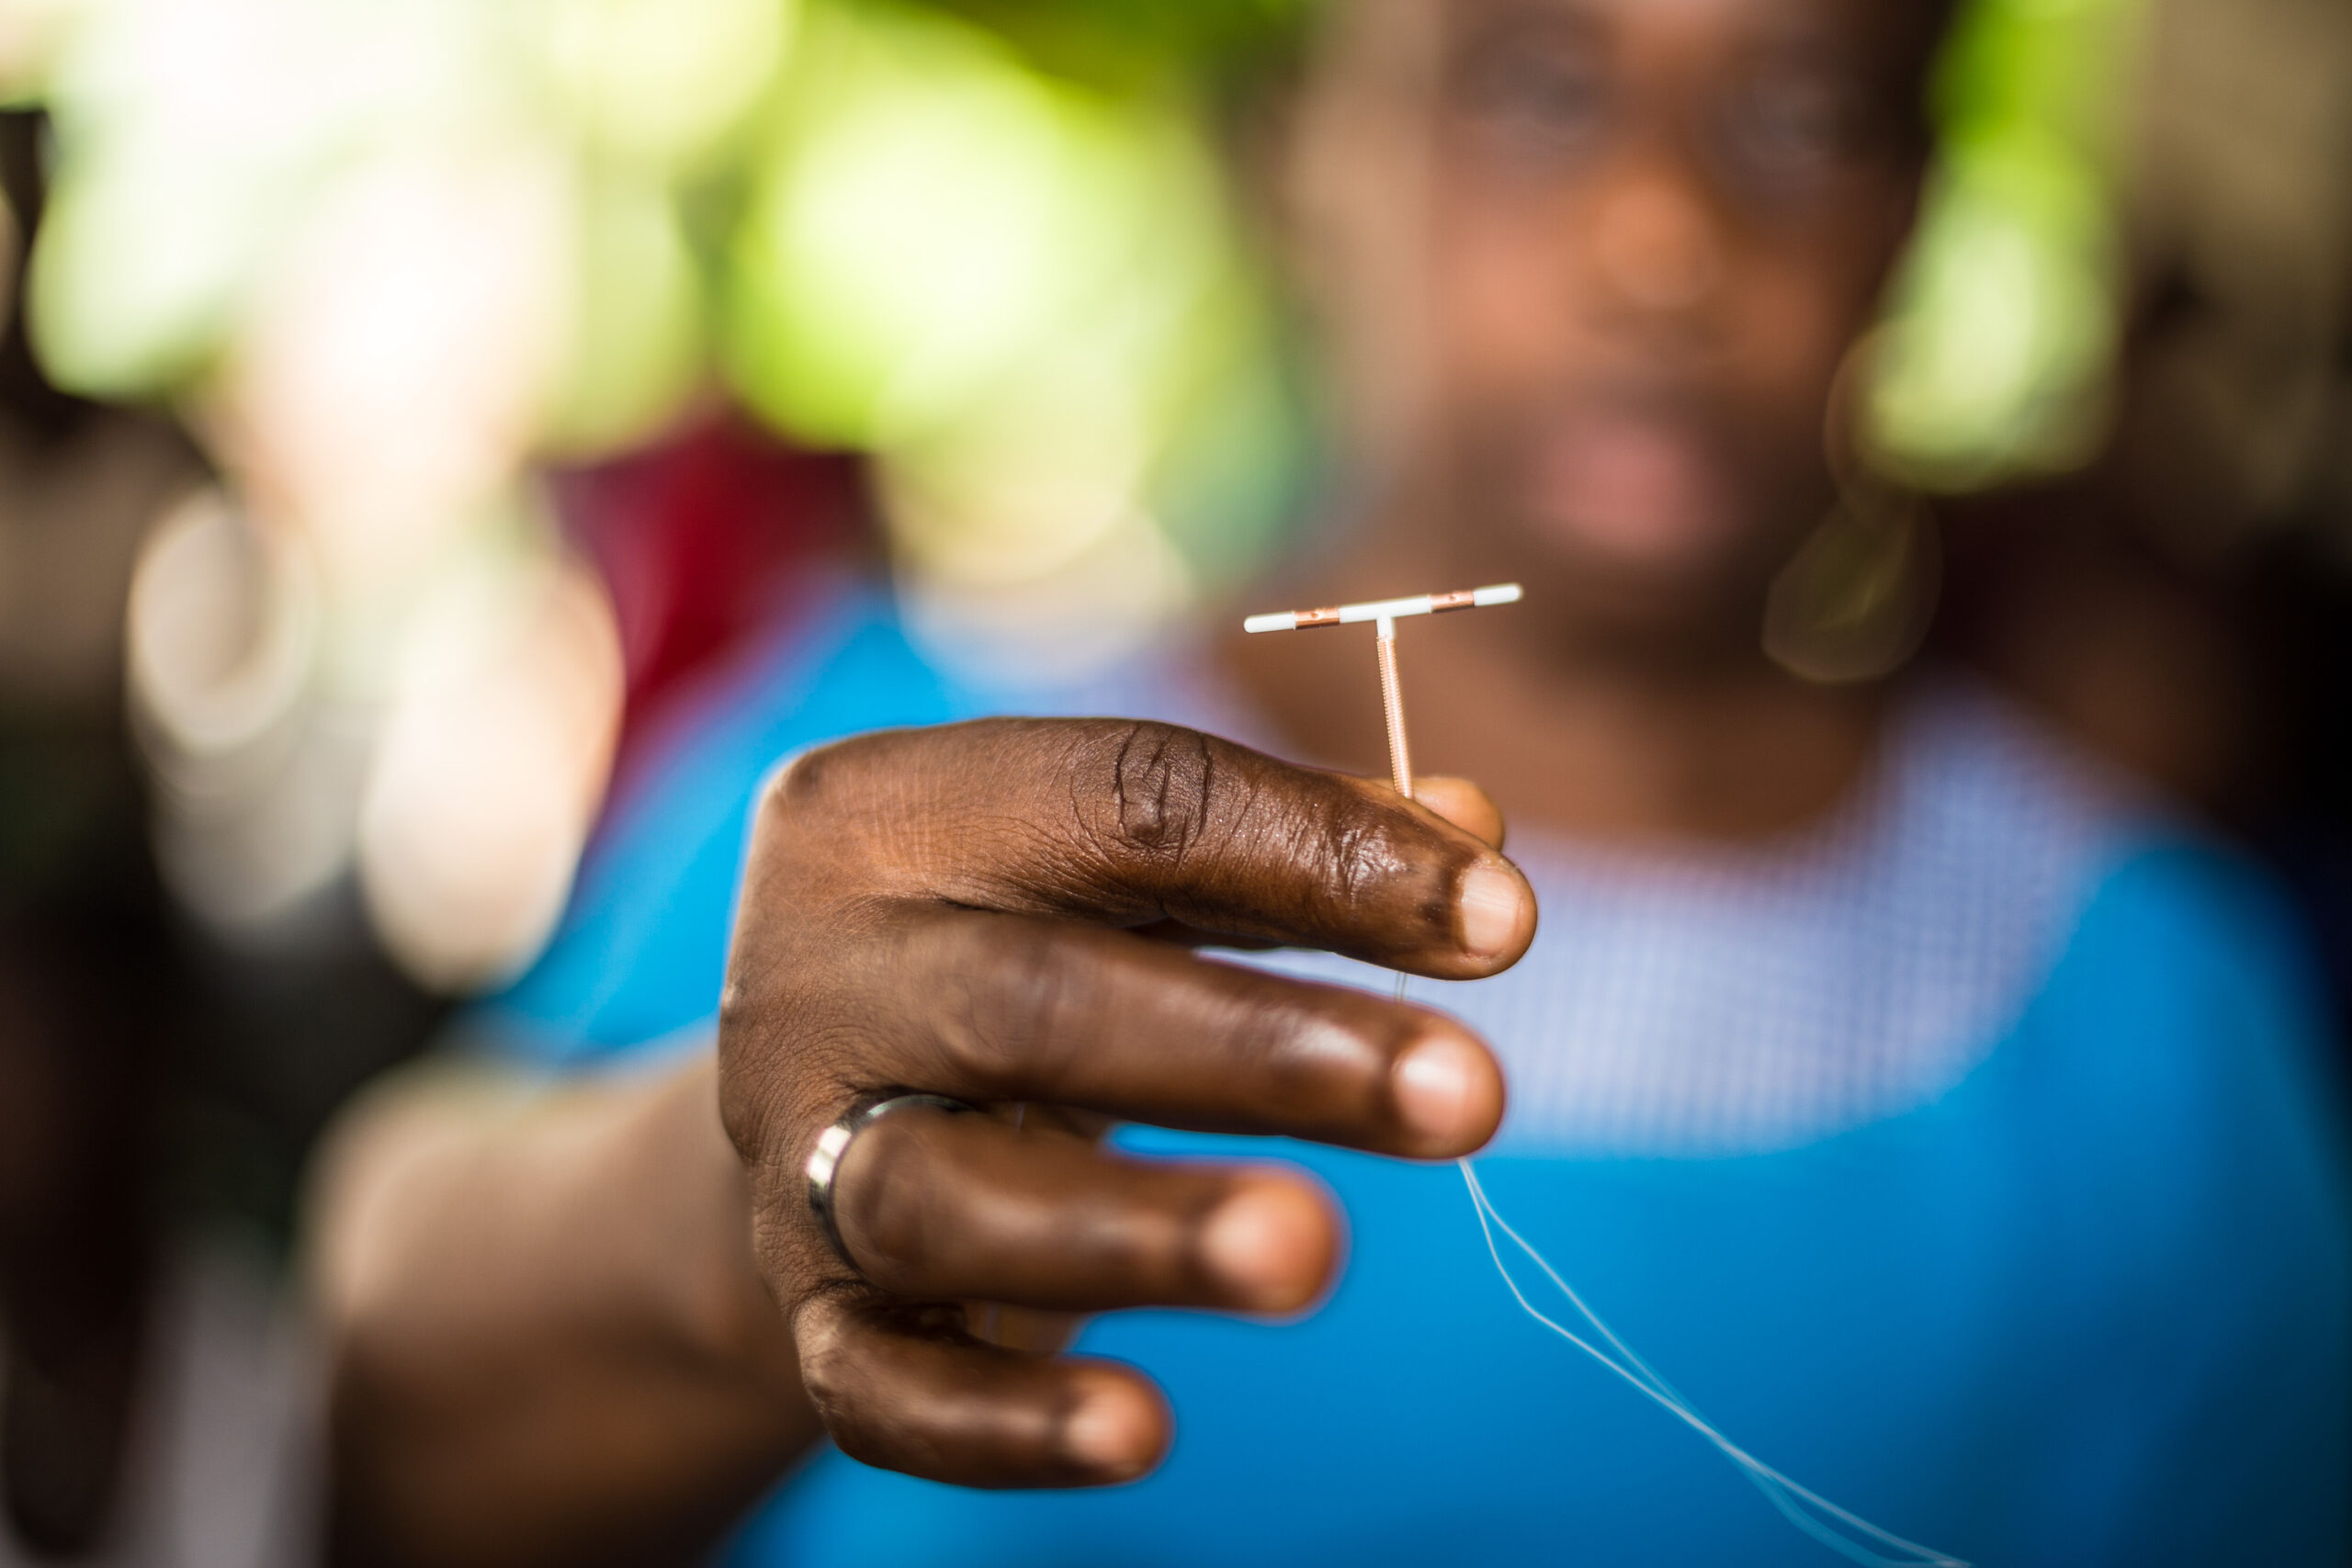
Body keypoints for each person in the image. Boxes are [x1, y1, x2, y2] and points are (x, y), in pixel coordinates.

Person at [308, 0, 2352, 1563]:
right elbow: (380, 1363)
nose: (1659, 234)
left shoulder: (2144, 1015)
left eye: (1794, 113)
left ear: (1908, 214)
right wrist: (748, 1203)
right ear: (1311, 154)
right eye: (1531, 83)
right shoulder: (884, 793)